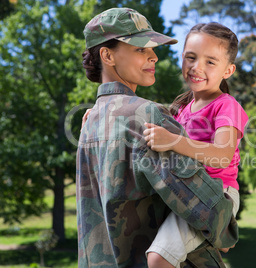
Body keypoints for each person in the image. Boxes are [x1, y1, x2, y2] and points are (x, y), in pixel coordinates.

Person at [76, 8, 238, 267]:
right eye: (140, 49)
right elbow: (204, 206)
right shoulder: (146, 115)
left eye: (152, 48)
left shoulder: (90, 123)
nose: (153, 56)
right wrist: (226, 229)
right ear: (107, 55)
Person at [143, 22, 248, 268]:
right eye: (190, 57)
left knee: (158, 259)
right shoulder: (180, 108)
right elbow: (143, 122)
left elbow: (223, 156)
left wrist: (173, 141)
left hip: (215, 193)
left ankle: (221, 226)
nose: (196, 67)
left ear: (228, 70)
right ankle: (217, 235)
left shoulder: (226, 105)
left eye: (210, 62)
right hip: (185, 189)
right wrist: (103, 113)